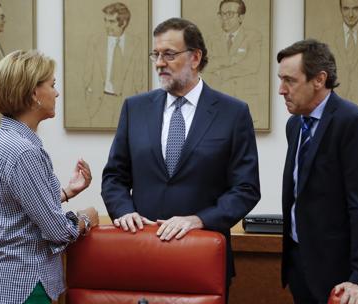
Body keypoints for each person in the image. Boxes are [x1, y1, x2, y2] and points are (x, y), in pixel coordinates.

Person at [102, 17, 260, 282]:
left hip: (202, 256)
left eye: (169, 55)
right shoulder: (135, 108)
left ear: (195, 57)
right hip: (140, 252)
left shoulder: (233, 113)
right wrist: (123, 210)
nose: (160, 63)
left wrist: (199, 219)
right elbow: (114, 176)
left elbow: (245, 189)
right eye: (156, 55)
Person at [0, 50, 99, 304]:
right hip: (24, 283)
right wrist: (86, 218)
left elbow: (21, 206)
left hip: (7, 279)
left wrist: (67, 192)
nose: (57, 93)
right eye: (52, 85)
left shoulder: (1, 138)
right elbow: (58, 231)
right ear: (34, 94)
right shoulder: (24, 151)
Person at [277, 39, 358, 304]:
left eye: (289, 80)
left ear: (319, 79)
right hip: (301, 270)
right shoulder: (295, 125)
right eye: (280, 80)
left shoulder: (352, 123)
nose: (281, 90)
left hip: (341, 278)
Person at [83, 2, 146, 128]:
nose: (106, 25)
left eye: (111, 21)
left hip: (127, 105)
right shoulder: (95, 42)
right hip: (100, 104)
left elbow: (139, 80)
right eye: (105, 20)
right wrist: (89, 103)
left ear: (123, 23)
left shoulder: (136, 44)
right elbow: (86, 77)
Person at [203, 0, 263, 125]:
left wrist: (224, 72)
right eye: (222, 14)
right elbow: (205, 66)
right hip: (219, 103)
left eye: (229, 14)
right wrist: (230, 59)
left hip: (245, 99)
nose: (224, 18)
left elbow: (252, 65)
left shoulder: (253, 36)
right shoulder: (212, 40)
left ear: (241, 17)